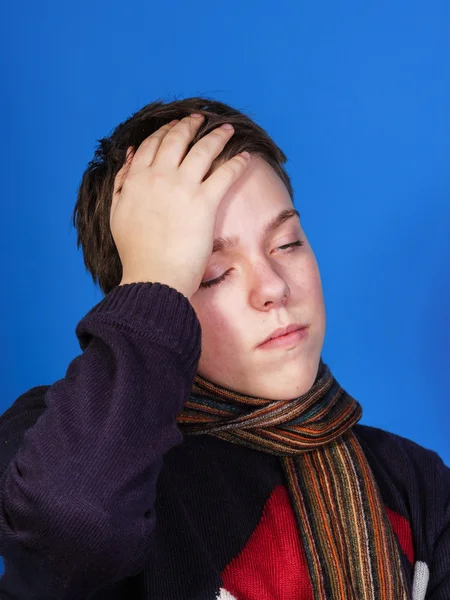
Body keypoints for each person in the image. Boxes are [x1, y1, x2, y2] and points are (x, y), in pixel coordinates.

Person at [0, 97, 448, 600]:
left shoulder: (411, 480)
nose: (273, 288)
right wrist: (155, 274)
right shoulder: (53, 442)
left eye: (288, 243)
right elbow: (74, 528)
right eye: (211, 274)